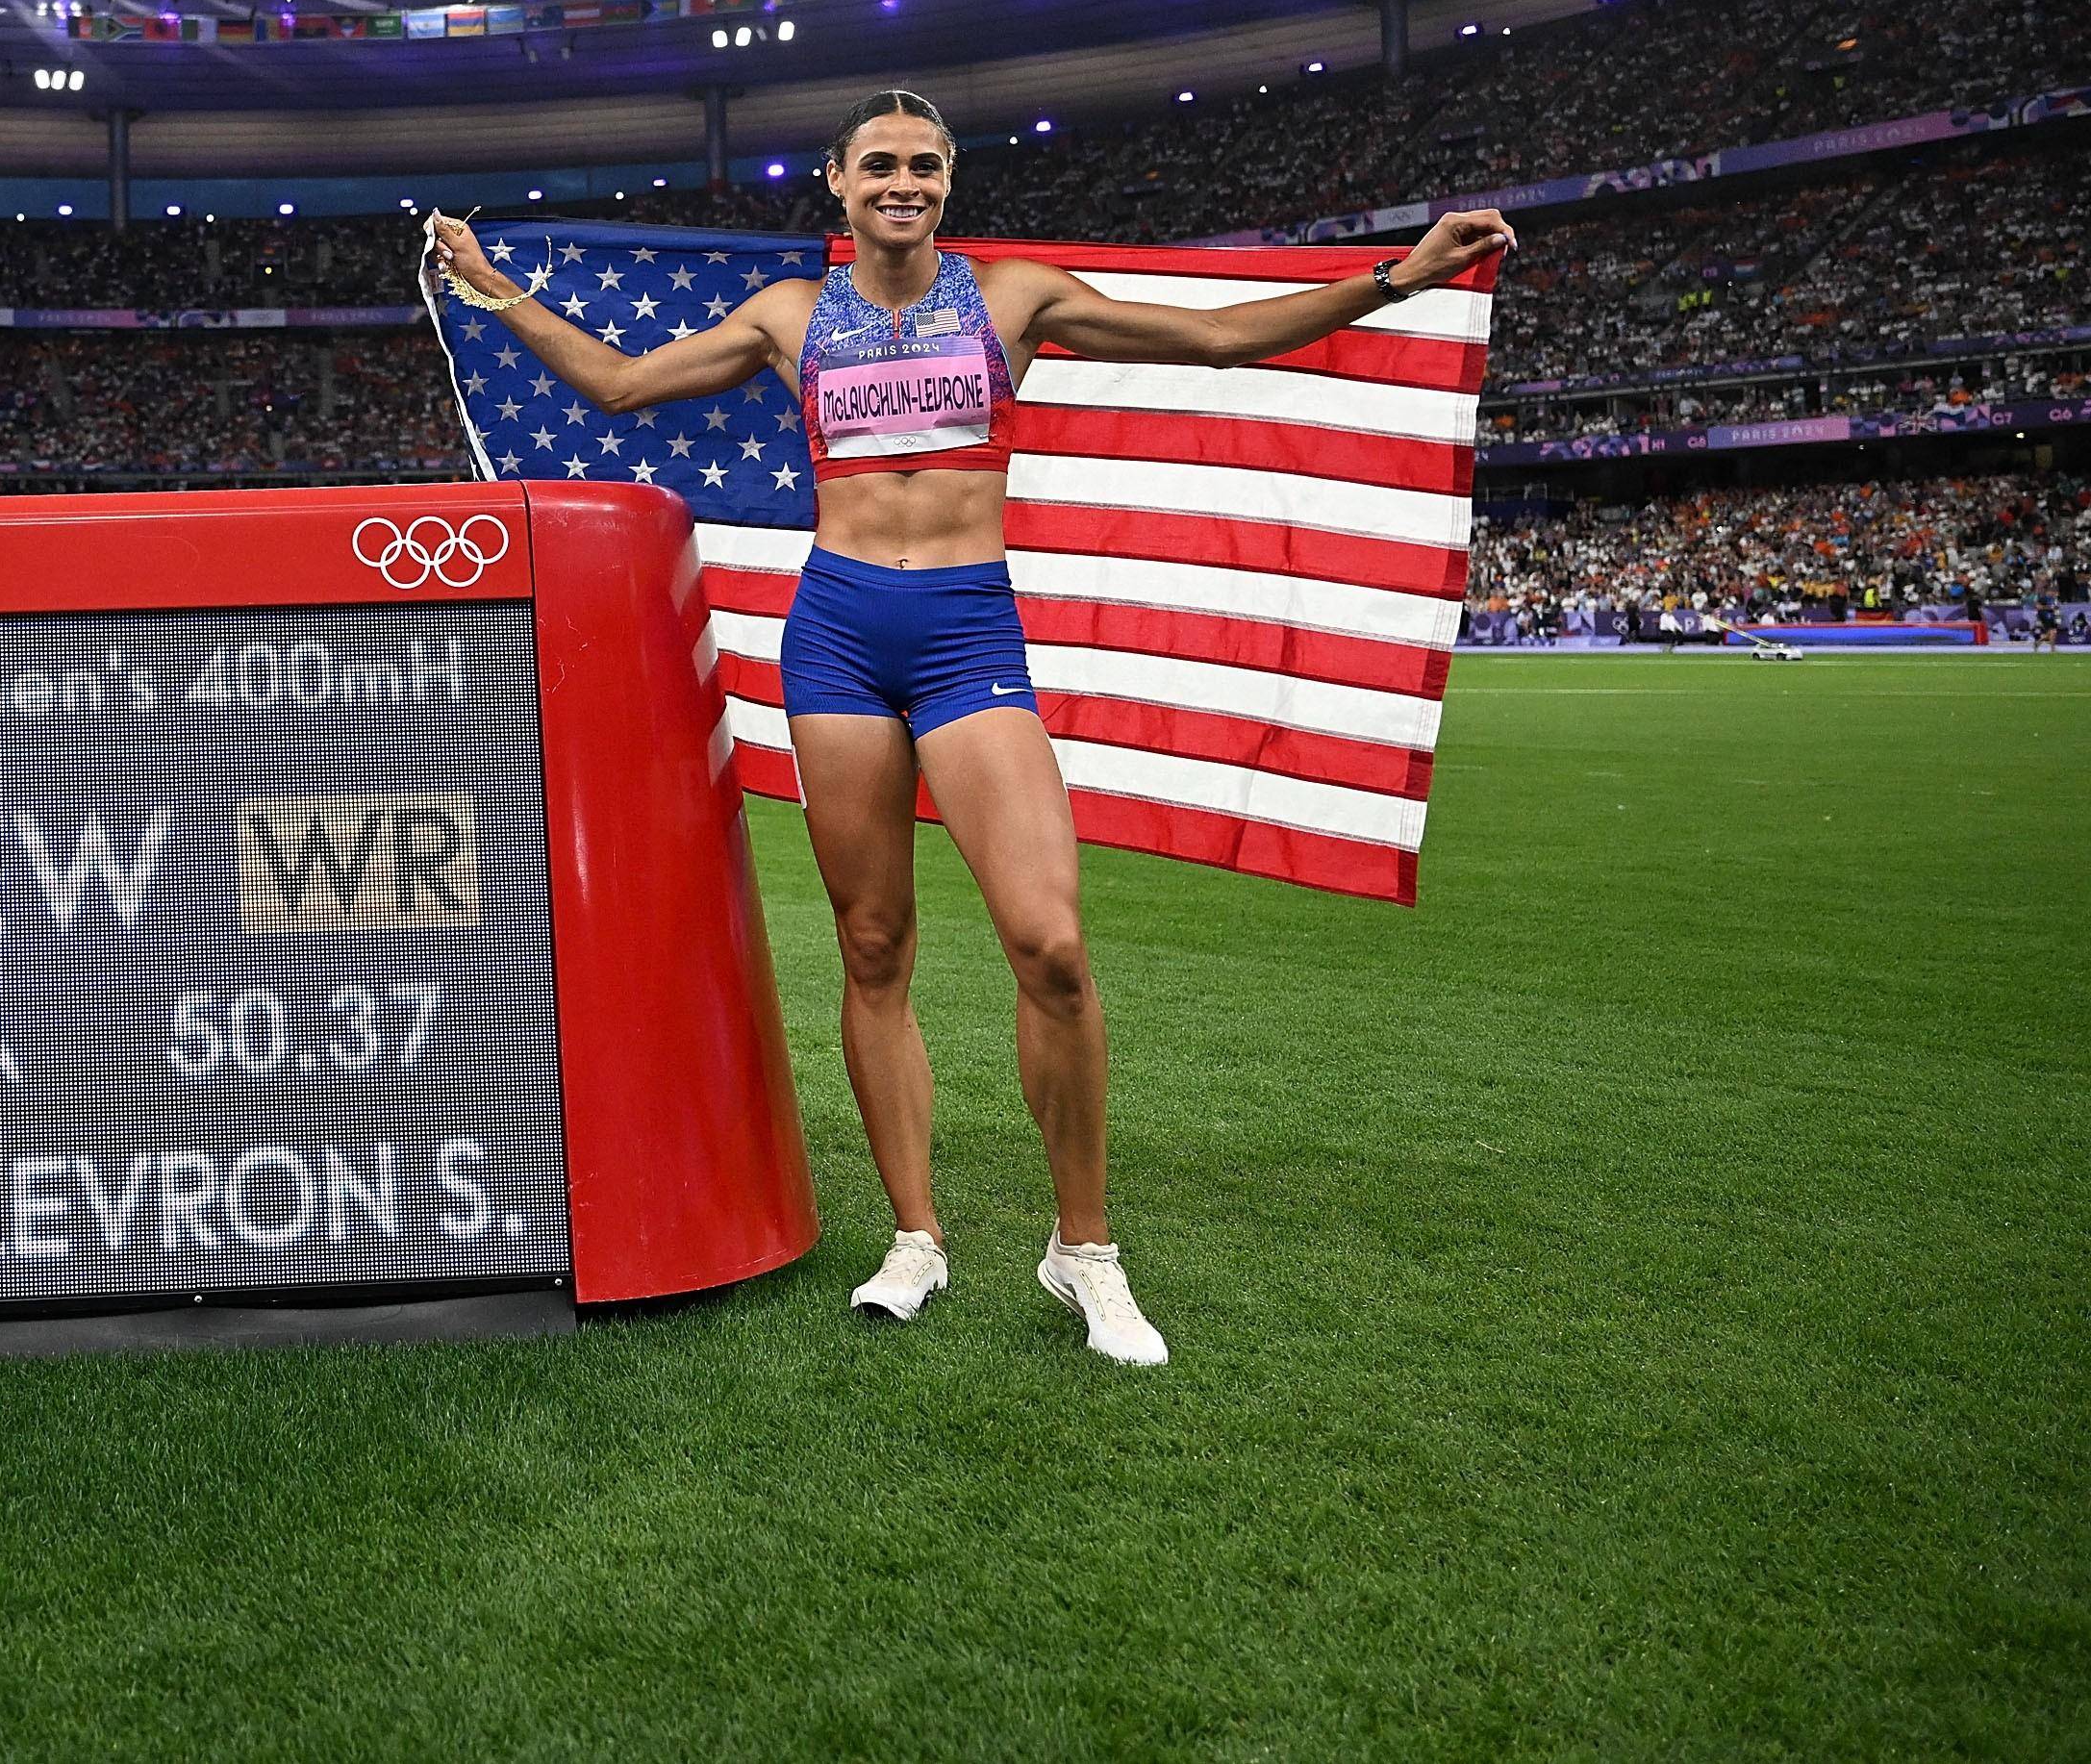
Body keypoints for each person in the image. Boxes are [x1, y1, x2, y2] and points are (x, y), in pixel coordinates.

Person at [429, 87, 1514, 1367]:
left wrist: (1397, 277)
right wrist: (492, 289)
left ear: (948, 181)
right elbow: (617, 385)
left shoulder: (1014, 298)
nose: (904, 182)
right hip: (837, 635)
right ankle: (916, 1236)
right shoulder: (789, 316)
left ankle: (1084, 1249)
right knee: (873, 944)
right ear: (838, 183)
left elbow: (1220, 340)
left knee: (1049, 945)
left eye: (925, 165)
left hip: (964, 637)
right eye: (879, 164)